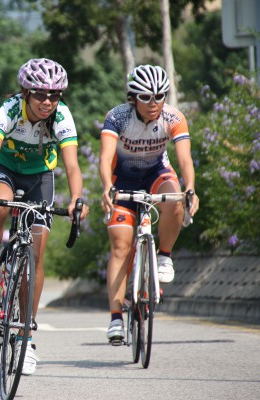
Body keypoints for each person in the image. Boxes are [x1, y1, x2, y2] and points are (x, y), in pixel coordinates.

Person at [0, 58, 89, 375]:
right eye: (40, 95)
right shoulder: (9, 110)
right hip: (5, 170)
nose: (47, 101)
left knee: (35, 252)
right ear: (25, 93)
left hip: (39, 177)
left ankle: (25, 338)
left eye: (54, 95)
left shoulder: (61, 116)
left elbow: (72, 165)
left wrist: (77, 199)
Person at [99, 65, 200, 344]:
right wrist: (107, 186)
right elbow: (105, 158)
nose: (154, 102)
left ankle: (164, 255)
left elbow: (184, 159)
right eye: (146, 97)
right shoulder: (117, 117)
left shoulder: (173, 117)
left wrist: (191, 188)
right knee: (120, 246)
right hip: (123, 180)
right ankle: (116, 318)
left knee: (176, 199)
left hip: (157, 174)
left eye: (159, 96)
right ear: (133, 98)